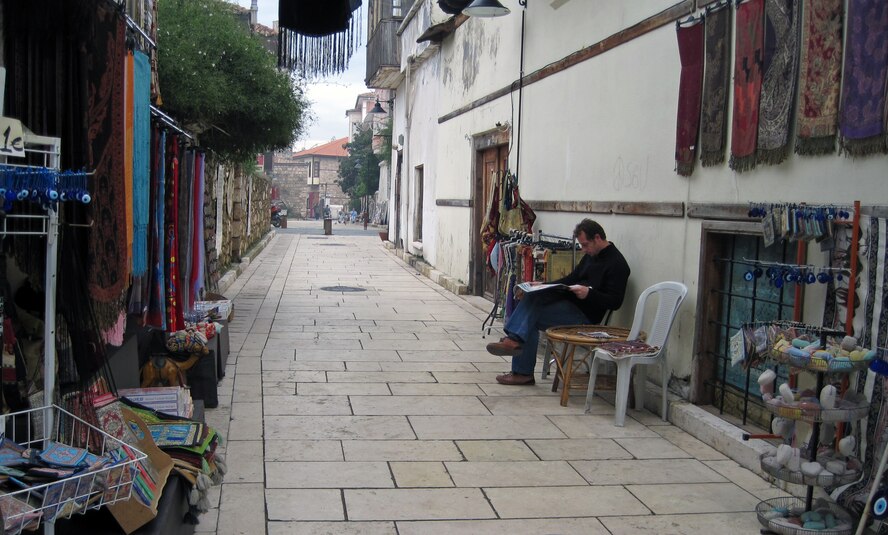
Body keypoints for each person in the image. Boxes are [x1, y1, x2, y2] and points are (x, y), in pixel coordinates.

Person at [486, 219, 631, 385]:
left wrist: (589, 294)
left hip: (585, 317)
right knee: (531, 300)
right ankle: (519, 361)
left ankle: (517, 356)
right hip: (569, 306)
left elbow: (615, 302)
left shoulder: (617, 264)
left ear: (597, 238)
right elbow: (571, 279)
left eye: (585, 245)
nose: (583, 250)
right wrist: (543, 285)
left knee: (529, 316)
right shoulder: (591, 255)